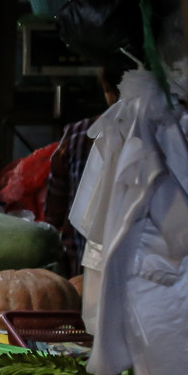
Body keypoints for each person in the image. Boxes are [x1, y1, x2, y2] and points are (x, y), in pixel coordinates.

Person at [45, 62, 126, 278]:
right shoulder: (169, 135)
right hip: (148, 274)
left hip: (84, 271)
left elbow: (54, 210)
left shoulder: (77, 134)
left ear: (108, 90)